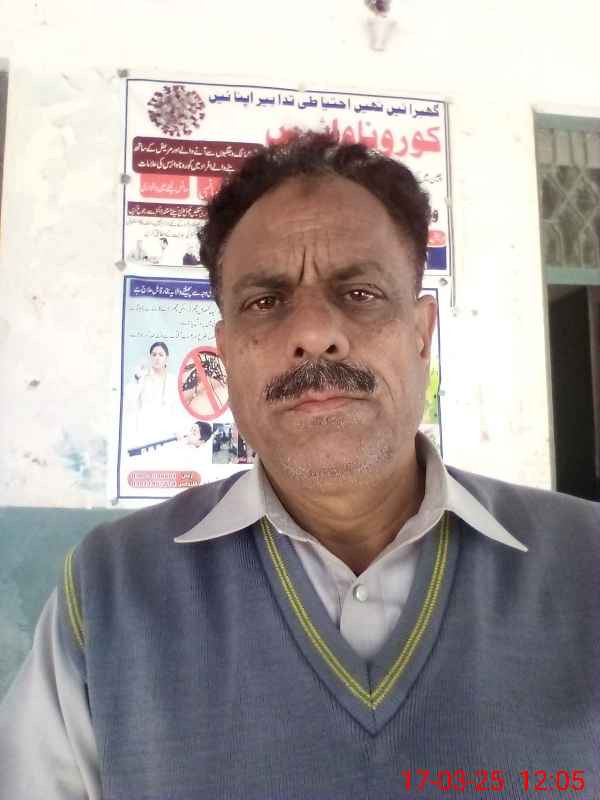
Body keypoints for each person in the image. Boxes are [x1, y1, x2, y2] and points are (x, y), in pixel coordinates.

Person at [1, 133, 599, 798]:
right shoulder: (107, 593)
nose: (313, 333)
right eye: (265, 301)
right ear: (227, 352)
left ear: (422, 335)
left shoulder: (589, 559)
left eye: (361, 293)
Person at [124, 341, 180, 448]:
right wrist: (137, 379)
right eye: (154, 355)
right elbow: (129, 400)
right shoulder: (142, 376)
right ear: (150, 357)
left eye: (161, 355)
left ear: (166, 358)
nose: (157, 358)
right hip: (145, 431)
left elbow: (176, 408)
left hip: (167, 433)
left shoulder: (173, 380)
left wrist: (177, 430)